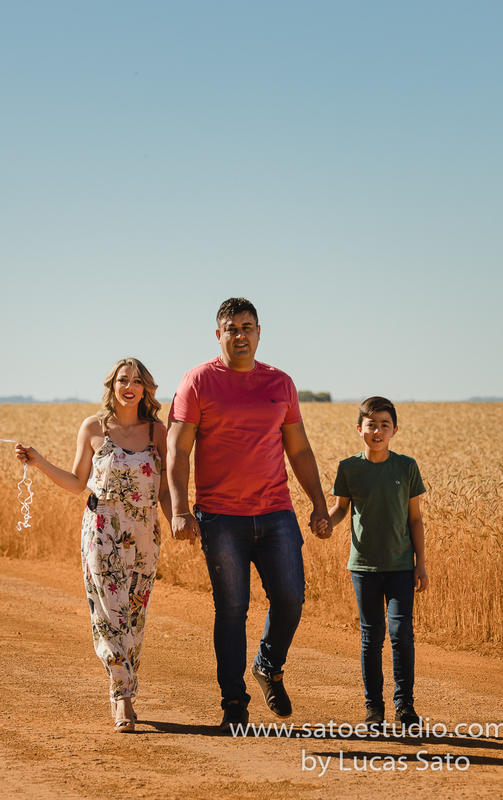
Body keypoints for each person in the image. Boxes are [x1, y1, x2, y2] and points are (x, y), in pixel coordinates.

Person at [167, 297, 330, 731]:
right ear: (218, 334)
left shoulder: (281, 382)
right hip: (221, 518)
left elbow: (298, 448)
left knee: (291, 597)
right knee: (231, 609)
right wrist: (181, 508)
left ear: (259, 332)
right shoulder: (198, 381)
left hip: (277, 513)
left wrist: (317, 503)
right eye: (231, 328)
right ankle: (234, 704)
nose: (240, 335)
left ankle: (268, 665)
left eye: (248, 327)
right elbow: (178, 449)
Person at [15, 358, 171, 733]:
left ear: (146, 389)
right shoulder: (93, 428)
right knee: (108, 613)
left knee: (134, 616)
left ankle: (126, 686)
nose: (129, 386)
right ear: (112, 385)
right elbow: (76, 481)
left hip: (145, 530)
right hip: (101, 526)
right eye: (123, 380)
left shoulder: (157, 432)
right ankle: (122, 698)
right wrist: (38, 462)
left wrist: (180, 518)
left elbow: (166, 489)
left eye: (137, 381)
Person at [325, 396, 427, 728]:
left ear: (394, 430)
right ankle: (374, 709)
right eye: (371, 425)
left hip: (401, 567)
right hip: (364, 568)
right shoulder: (349, 468)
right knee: (371, 636)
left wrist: (421, 563)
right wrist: (326, 522)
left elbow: (415, 519)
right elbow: (341, 508)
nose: (378, 431)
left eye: (385, 425)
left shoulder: (406, 467)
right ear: (360, 429)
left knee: (401, 633)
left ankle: (405, 706)